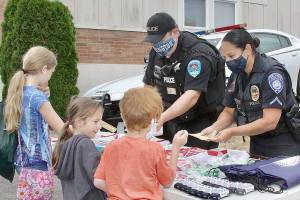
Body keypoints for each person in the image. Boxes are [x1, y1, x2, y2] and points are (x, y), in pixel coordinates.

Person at [201, 28, 300, 157]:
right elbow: (229, 111)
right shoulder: (237, 75)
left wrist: (231, 132)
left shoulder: (272, 74)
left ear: (247, 49)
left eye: (231, 56)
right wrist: (214, 128)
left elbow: (270, 121)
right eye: (225, 58)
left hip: (282, 142)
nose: (229, 62)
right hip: (257, 140)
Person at [143, 12, 225, 149]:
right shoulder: (156, 52)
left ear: (175, 32)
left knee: (194, 164)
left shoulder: (199, 55)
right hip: (169, 118)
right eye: (153, 41)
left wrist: (162, 118)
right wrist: (147, 111)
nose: (156, 45)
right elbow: (148, 86)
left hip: (199, 122)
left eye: (160, 40)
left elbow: (192, 96)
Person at [94, 87, 188, 200]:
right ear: (154, 118)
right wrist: (176, 147)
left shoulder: (111, 146)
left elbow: (98, 181)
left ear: (123, 116)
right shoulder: (155, 149)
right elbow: (168, 181)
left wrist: (121, 192)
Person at [4, 46, 64, 199]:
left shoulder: (21, 91)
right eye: (51, 72)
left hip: (22, 159)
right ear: (44, 69)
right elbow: (61, 128)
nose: (51, 76)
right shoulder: (37, 98)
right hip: (37, 162)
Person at [52, 97, 106, 200]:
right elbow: (98, 175)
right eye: (95, 121)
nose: (99, 126)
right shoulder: (85, 144)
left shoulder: (66, 143)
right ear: (79, 122)